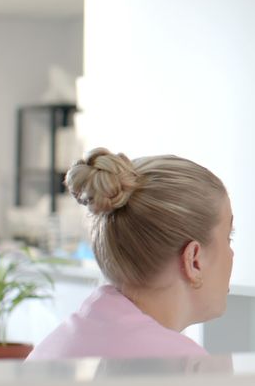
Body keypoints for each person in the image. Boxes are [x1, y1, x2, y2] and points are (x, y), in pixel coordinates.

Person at [27, 148, 233, 360]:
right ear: (194, 260)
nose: (232, 255)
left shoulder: (56, 345)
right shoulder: (183, 365)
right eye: (228, 237)